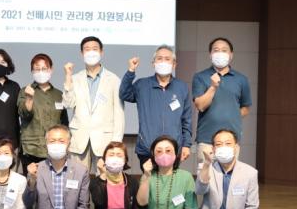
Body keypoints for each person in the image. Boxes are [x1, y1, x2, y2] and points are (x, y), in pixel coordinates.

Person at [119, 45, 193, 168]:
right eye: (159, 58)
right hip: (147, 148)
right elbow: (124, 94)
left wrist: (186, 145)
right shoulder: (142, 85)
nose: (163, 62)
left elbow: (187, 119)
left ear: (174, 64)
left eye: (167, 59)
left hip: (173, 148)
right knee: (149, 180)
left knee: (170, 180)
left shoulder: (181, 87)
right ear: (153, 63)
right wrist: (131, 71)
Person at [63, 36, 124, 173]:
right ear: (82, 53)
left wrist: (116, 143)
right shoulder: (75, 78)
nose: (91, 52)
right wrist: (68, 77)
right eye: (87, 49)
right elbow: (68, 104)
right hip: (79, 139)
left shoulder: (113, 80)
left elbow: (119, 113)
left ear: (101, 52)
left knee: (103, 179)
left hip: (105, 141)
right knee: (76, 179)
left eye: (95, 49)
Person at [192, 38, 252, 170]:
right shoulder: (200, 77)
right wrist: (213, 87)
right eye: (216, 50)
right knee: (205, 178)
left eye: (224, 50)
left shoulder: (241, 79)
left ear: (231, 55)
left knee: (230, 177)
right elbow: (200, 105)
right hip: (207, 139)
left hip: (231, 140)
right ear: (210, 54)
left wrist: (232, 116)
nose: (220, 53)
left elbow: (246, 107)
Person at [18, 53, 68, 174]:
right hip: (31, 148)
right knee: (32, 183)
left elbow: (64, 122)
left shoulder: (59, 94)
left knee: (54, 182)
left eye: (44, 68)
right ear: (32, 71)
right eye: (37, 69)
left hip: (55, 149)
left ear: (51, 70)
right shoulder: (25, 91)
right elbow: (24, 114)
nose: (41, 72)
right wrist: (29, 99)